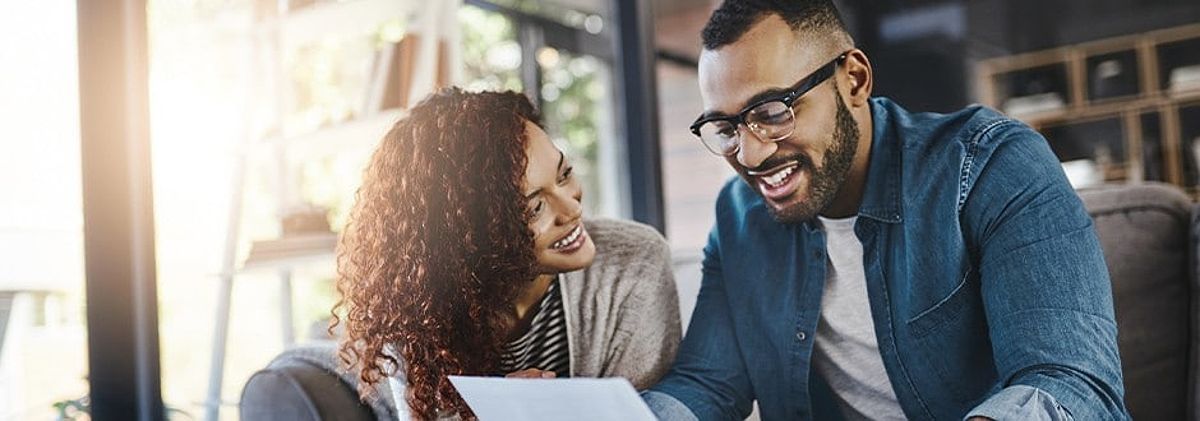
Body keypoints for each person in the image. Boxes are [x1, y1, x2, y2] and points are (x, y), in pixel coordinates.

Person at [642, 1, 1129, 420]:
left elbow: (1070, 383)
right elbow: (707, 384)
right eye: (725, 128)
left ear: (853, 80)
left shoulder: (991, 167)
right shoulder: (738, 218)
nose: (749, 155)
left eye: (772, 112)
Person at [332, 88, 680, 420]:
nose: (571, 209)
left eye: (565, 174)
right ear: (471, 236)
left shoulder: (634, 261)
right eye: (535, 208)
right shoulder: (417, 307)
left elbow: (647, 412)